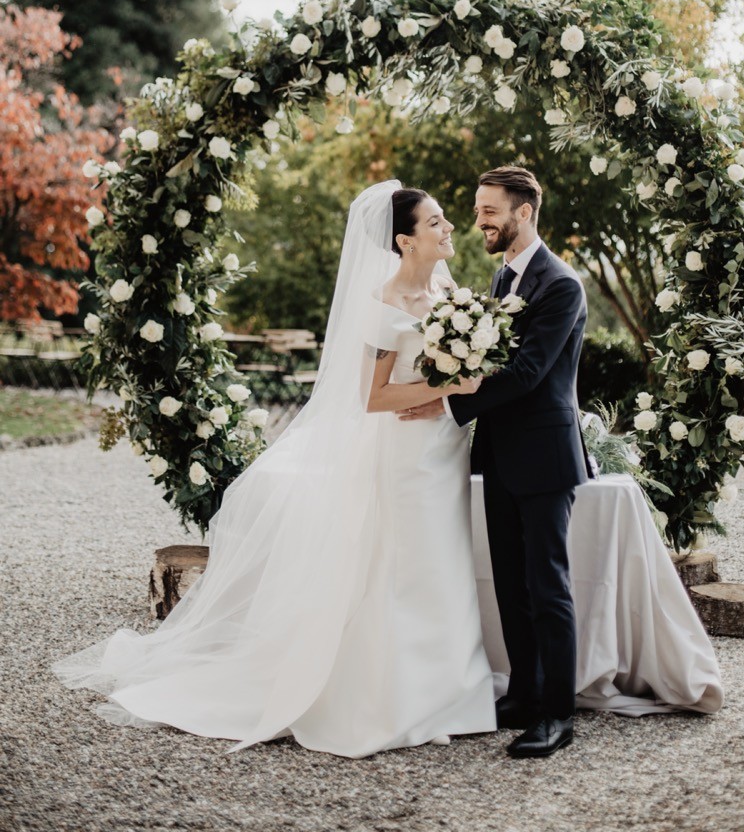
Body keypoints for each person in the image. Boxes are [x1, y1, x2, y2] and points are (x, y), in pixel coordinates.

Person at [53, 181, 496, 757]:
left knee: (444, 562)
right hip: (404, 457)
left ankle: (452, 692)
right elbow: (372, 397)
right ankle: (395, 699)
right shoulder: (386, 303)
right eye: (435, 222)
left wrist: (457, 389)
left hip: (442, 449)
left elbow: (464, 366)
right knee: (403, 567)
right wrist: (451, 385)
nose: (448, 228)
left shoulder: (446, 288)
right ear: (406, 240)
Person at [400, 165, 589, 759]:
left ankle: (558, 714)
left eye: (488, 211)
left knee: (547, 586)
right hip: (501, 456)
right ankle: (525, 694)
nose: (479, 220)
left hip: (545, 456)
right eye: (478, 210)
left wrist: (445, 399)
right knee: (509, 582)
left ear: (523, 212)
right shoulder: (502, 276)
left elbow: (530, 373)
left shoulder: (561, 286)